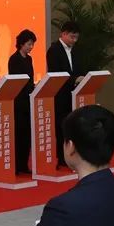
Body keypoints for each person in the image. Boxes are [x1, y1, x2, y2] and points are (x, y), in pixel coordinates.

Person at [47, 21, 84, 169]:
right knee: (61, 128)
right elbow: (56, 73)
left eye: (76, 37)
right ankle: (62, 159)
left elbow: (79, 69)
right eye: (72, 37)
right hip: (60, 95)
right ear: (63, 34)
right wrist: (74, 79)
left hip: (74, 95)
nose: (74, 40)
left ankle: (72, 157)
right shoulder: (54, 50)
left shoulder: (76, 51)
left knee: (72, 128)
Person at [8, 29, 37, 174]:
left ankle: (24, 164)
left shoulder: (29, 59)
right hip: (19, 101)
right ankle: (17, 165)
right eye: (29, 44)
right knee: (19, 133)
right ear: (21, 44)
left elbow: (30, 79)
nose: (31, 47)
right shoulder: (14, 59)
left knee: (27, 134)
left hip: (29, 100)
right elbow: (16, 81)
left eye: (32, 44)